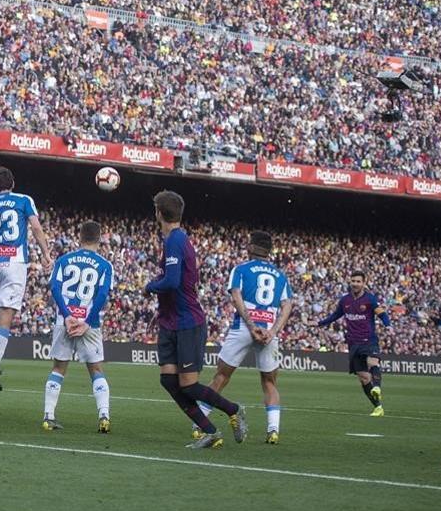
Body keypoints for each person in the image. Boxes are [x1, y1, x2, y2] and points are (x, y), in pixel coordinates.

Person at [144, 190, 246, 448]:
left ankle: (233, 410)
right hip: (170, 321)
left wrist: (150, 286)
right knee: (168, 380)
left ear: (159, 213)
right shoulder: (172, 239)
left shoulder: (175, 240)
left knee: (188, 386)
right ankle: (210, 431)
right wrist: (161, 310)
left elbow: (172, 281)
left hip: (187, 322)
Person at [199, 231, 293, 444]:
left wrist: (251, 325)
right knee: (269, 382)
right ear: (269, 251)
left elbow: (236, 296)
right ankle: (273, 431)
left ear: (251, 247)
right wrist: (273, 331)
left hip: (243, 327)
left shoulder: (240, 269)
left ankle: (199, 424)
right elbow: (287, 305)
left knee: (221, 376)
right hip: (269, 331)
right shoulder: (280, 275)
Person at [0, 167, 51, 390]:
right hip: (15, 262)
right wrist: (45, 253)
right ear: (12, 183)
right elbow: (36, 227)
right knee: (6, 312)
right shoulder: (24, 200)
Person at [42, 221, 113, 433]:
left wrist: (67, 316)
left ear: (79, 237)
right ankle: (104, 416)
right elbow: (102, 295)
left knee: (58, 368)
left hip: (64, 321)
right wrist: (87, 321)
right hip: (89, 324)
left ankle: (48, 416)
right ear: (99, 239)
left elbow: (55, 287)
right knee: (96, 370)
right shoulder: (105, 265)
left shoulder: (63, 260)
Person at [312, 270, 391, 416]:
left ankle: (377, 387)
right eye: (353, 281)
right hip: (353, 342)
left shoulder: (370, 299)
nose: (355, 284)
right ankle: (378, 407)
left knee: (372, 362)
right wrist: (319, 323)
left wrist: (388, 325)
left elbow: (382, 314)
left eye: (358, 281)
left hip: (368, 339)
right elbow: (335, 315)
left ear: (364, 283)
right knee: (363, 378)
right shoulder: (345, 300)